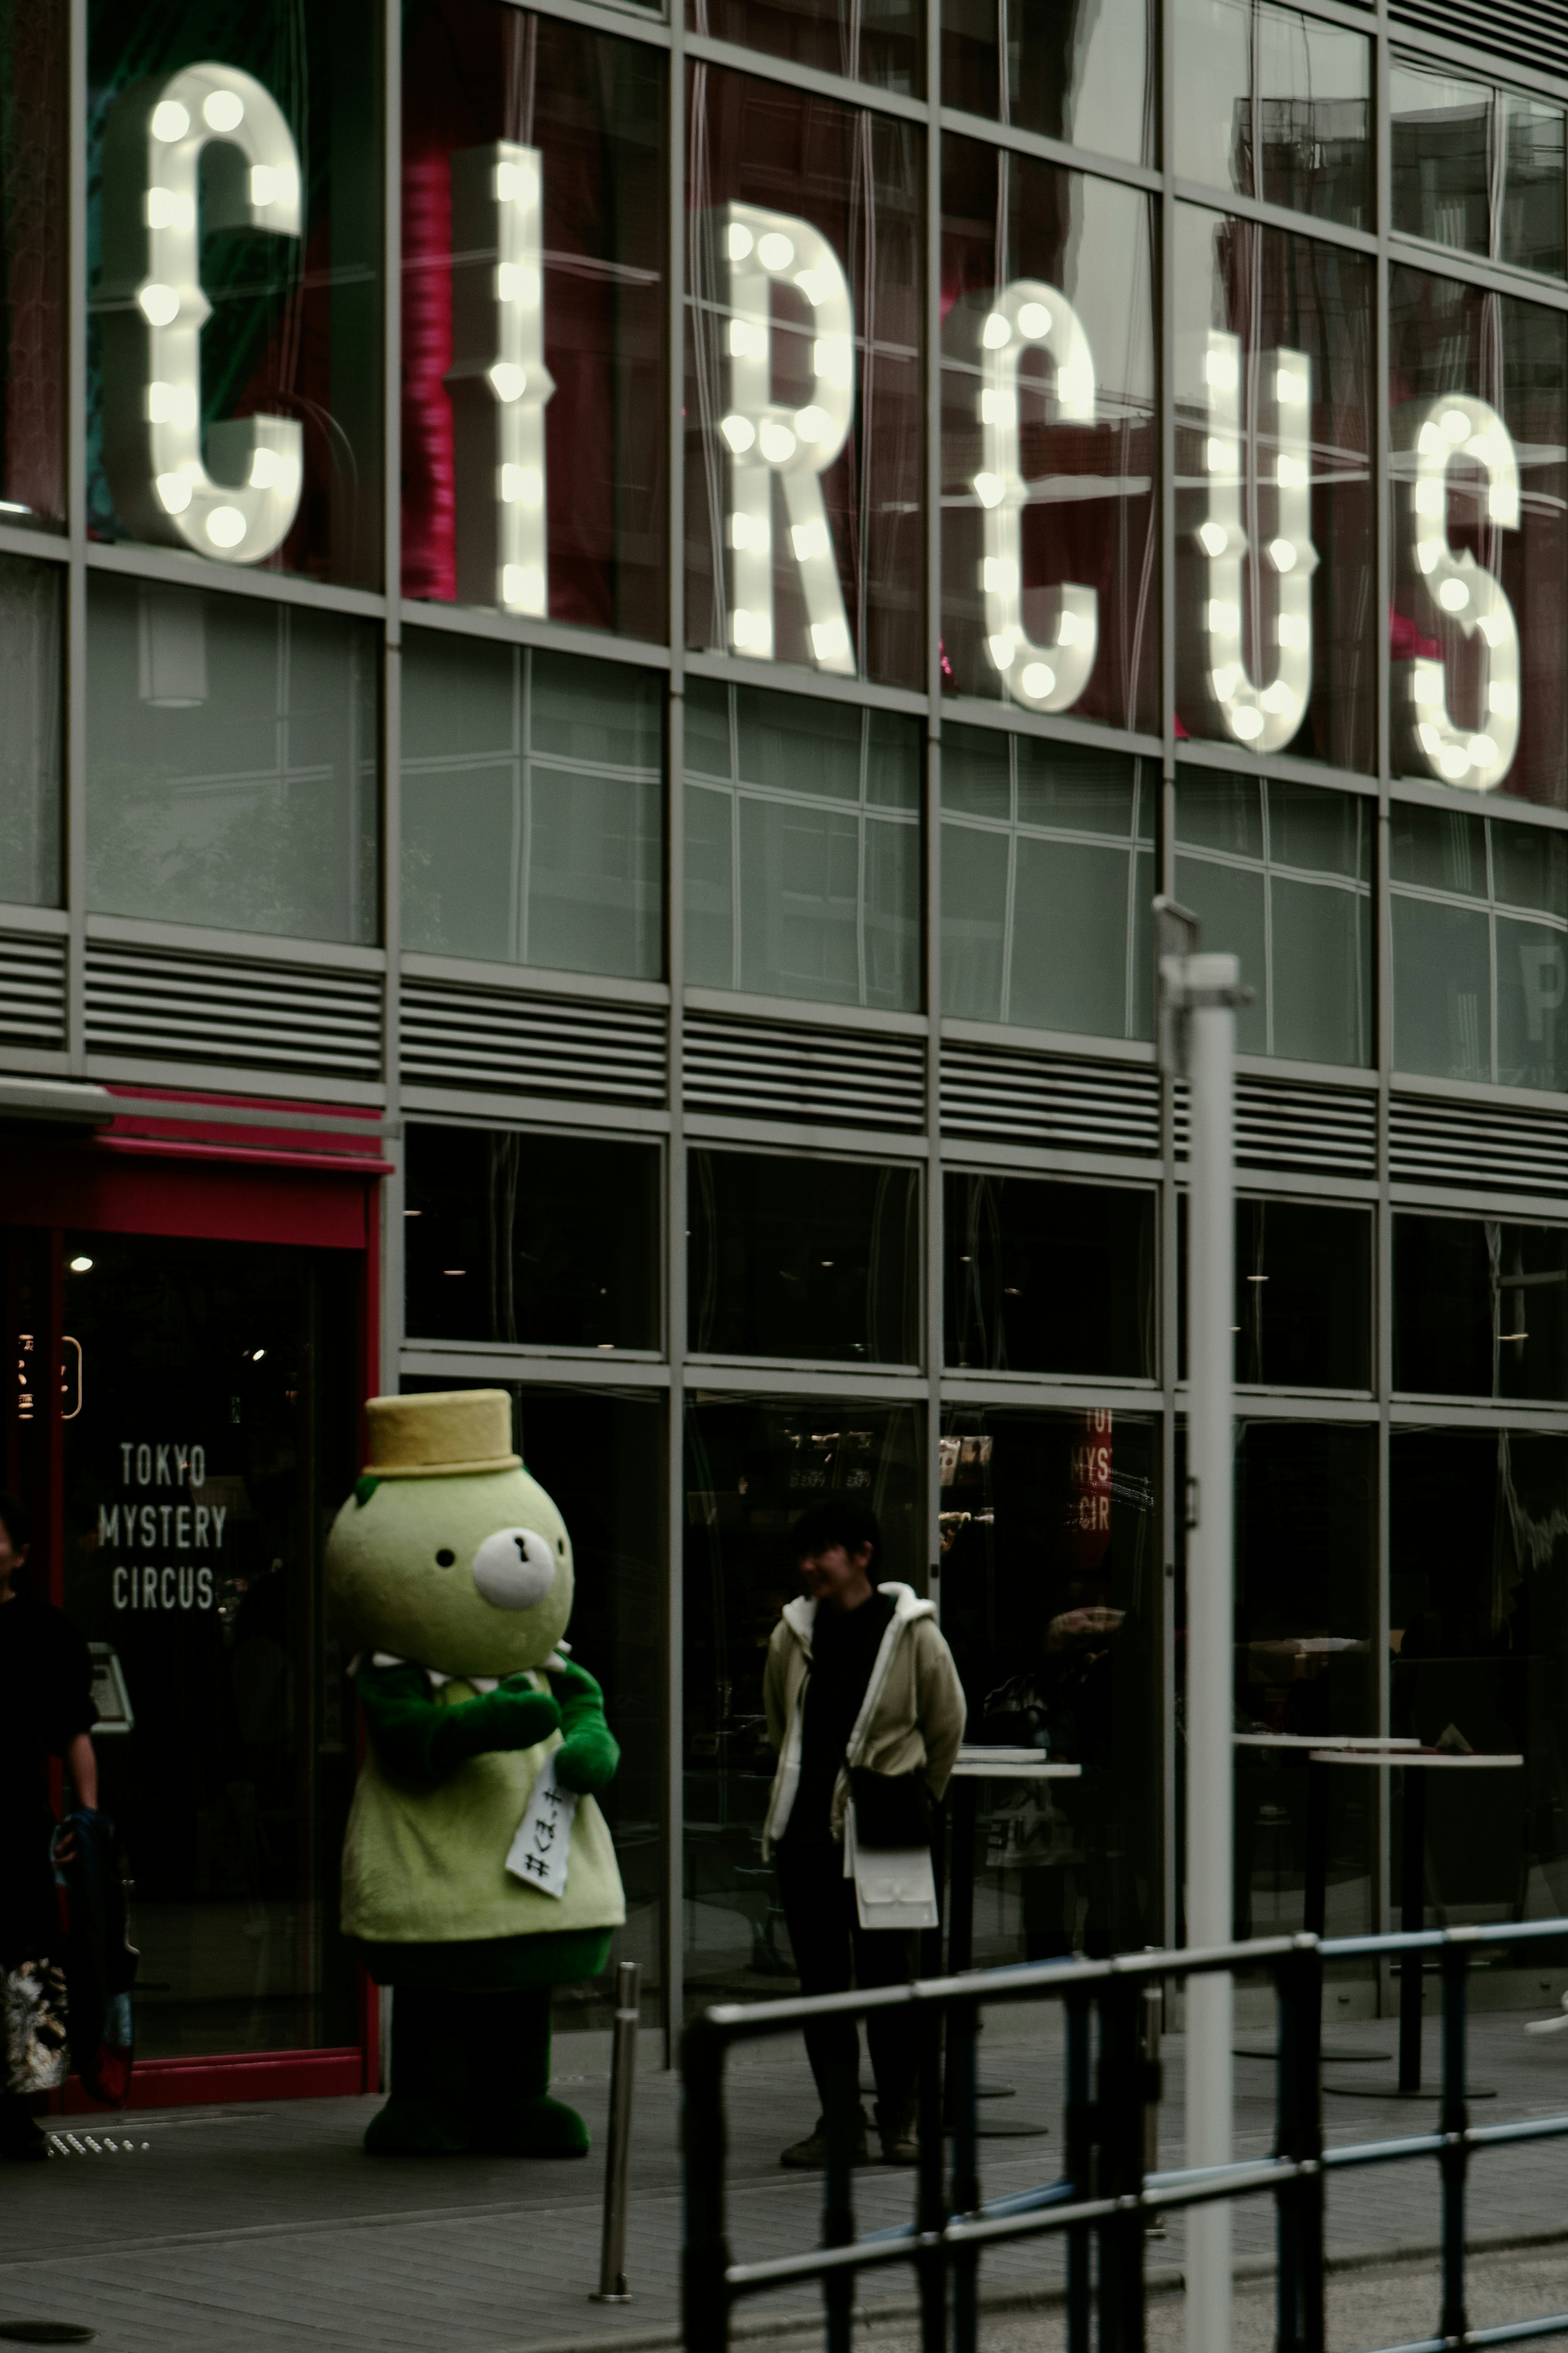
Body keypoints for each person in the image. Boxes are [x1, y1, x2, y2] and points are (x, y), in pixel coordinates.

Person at [762, 1502, 965, 2169]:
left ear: (863, 1554)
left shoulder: (913, 1633)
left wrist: (915, 1795)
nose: (810, 1565)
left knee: (893, 1980)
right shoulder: (792, 1635)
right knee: (823, 1984)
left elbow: (946, 1724)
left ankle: (901, 2121)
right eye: (804, 1553)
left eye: (824, 1551)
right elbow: (778, 1723)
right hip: (807, 1833)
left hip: (890, 1821)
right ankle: (840, 2123)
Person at [0, 1492, 98, 2161]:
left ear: (22, 1553)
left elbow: (75, 1732)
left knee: (24, 1962)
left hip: (13, 1820)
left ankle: (15, 2108)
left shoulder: (46, 1631)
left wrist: (86, 1815)